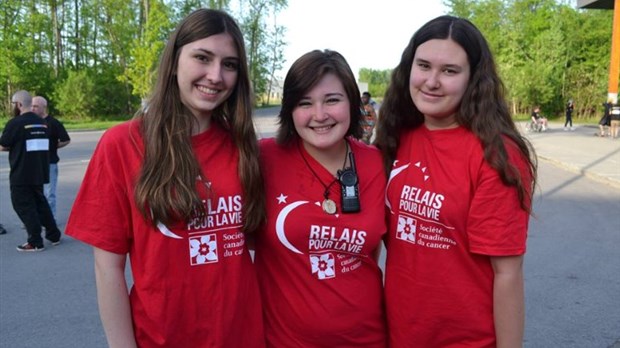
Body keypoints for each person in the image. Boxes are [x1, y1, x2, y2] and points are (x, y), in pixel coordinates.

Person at [64, 9, 265, 347]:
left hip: (243, 336)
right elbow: (108, 269)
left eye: (229, 64)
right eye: (202, 57)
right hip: (159, 337)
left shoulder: (245, 147)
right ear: (174, 61)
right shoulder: (122, 145)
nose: (215, 75)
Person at [375, 15, 537, 347]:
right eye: (424, 66)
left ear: (472, 79)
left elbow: (507, 274)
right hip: (399, 334)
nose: (431, 81)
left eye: (449, 71)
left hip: (467, 339)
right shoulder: (396, 137)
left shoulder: (496, 155)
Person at [254, 49, 387, 347]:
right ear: (289, 109)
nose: (319, 115)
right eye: (305, 103)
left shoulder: (376, 163)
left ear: (352, 102)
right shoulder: (263, 158)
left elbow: (371, 251)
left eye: (332, 100)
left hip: (367, 339)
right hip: (284, 341)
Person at [0, 90, 62, 251]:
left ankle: (35, 241)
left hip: (21, 172)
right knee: (41, 203)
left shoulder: (15, 123)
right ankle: (53, 234)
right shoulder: (43, 122)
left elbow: (4, 144)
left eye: (14, 104)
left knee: (23, 205)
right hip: (39, 170)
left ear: (19, 105)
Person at [32, 96, 71, 220]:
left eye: (36, 106)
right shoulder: (30, 122)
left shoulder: (53, 123)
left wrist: (53, 147)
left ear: (44, 107)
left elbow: (66, 139)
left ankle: (50, 219)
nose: (33, 108)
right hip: (33, 163)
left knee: (50, 193)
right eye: (32, 106)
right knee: (36, 193)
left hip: (50, 162)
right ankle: (35, 218)